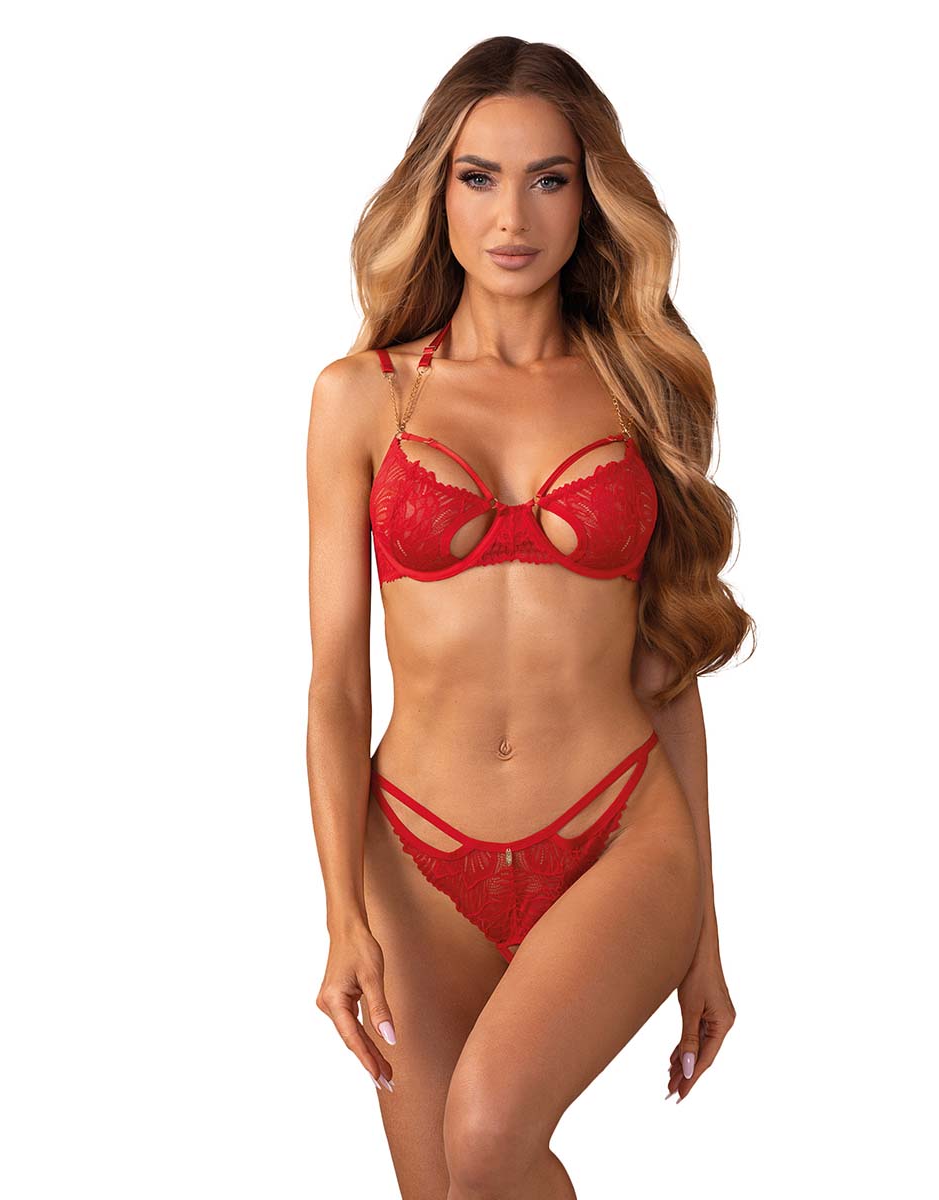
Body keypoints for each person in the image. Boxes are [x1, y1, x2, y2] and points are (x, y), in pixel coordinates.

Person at [306, 36, 753, 1200]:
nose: (514, 216)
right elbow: (336, 686)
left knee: (490, 1134)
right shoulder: (359, 398)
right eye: (480, 177)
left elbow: (669, 668)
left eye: (550, 178)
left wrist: (705, 932)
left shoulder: (640, 387)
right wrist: (342, 914)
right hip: (412, 858)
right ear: (437, 192)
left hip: (619, 832)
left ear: (590, 195)